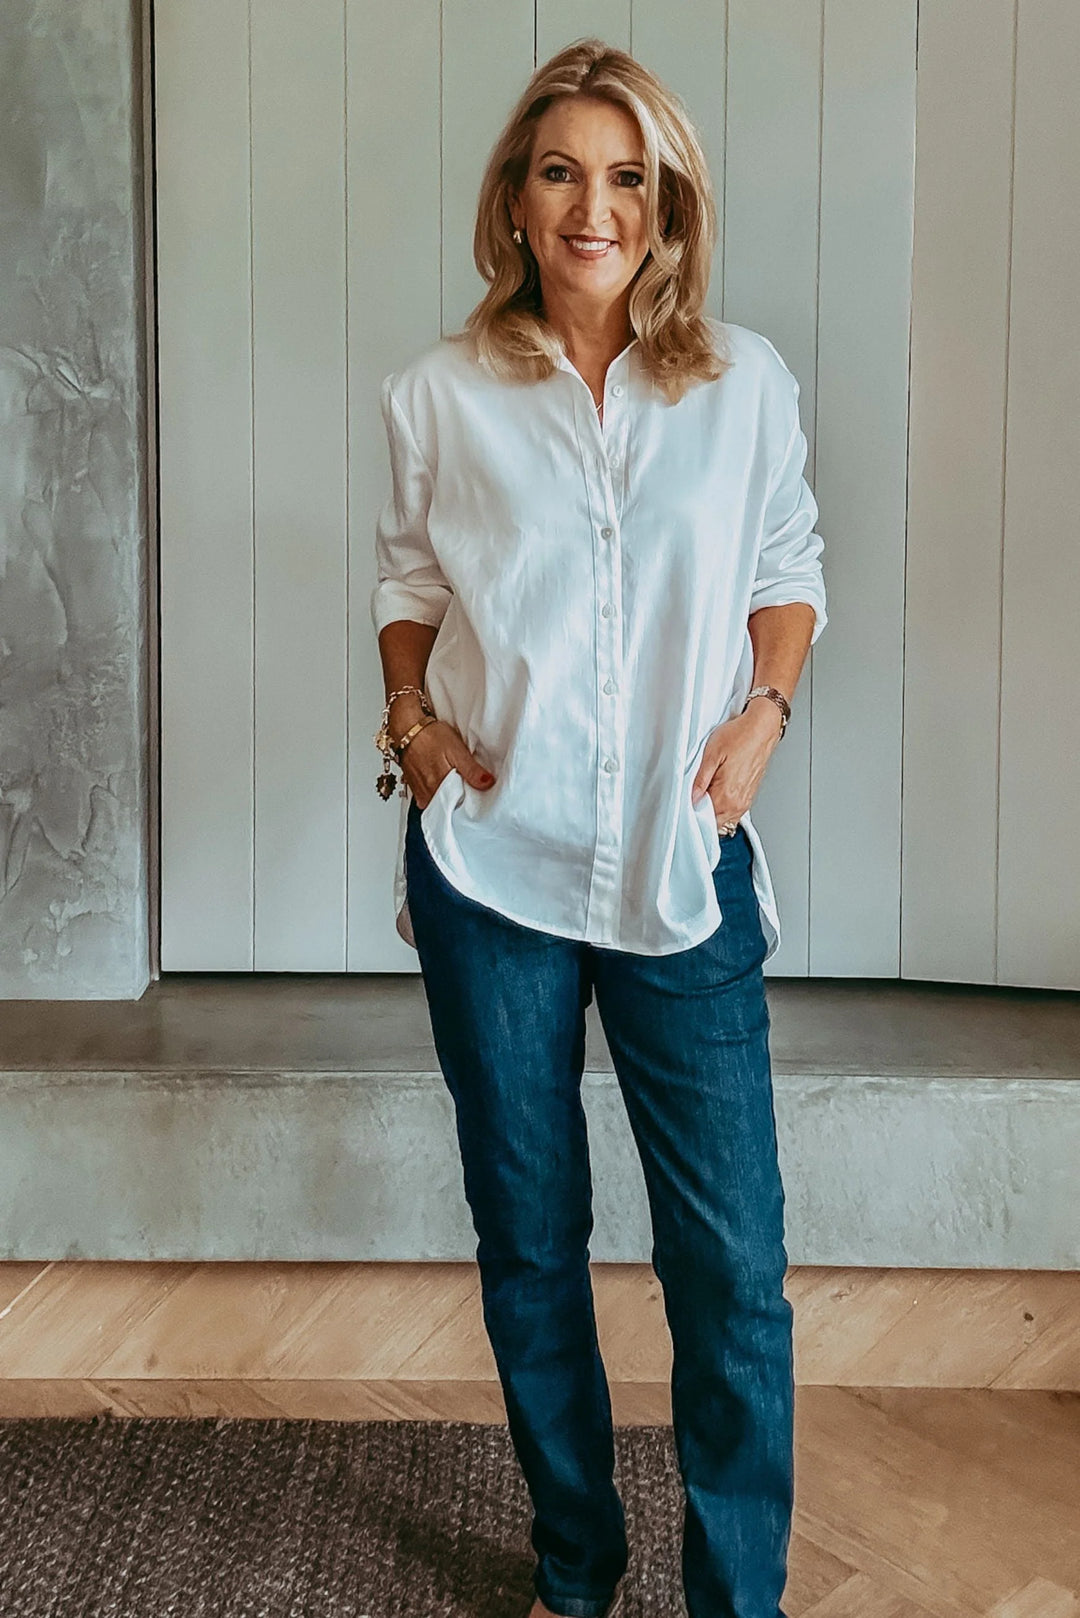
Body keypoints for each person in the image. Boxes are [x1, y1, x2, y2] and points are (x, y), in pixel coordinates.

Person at [370, 36, 827, 1618]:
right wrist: (419, 736)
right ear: (514, 198)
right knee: (531, 1244)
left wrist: (763, 714)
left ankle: (735, 1599)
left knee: (735, 1278)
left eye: (628, 175)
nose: (595, 205)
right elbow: (408, 593)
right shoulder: (437, 393)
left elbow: (787, 564)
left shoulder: (744, 382)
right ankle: (578, 1564)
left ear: (669, 205)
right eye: (563, 169)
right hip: (494, 872)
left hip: (681, 866)